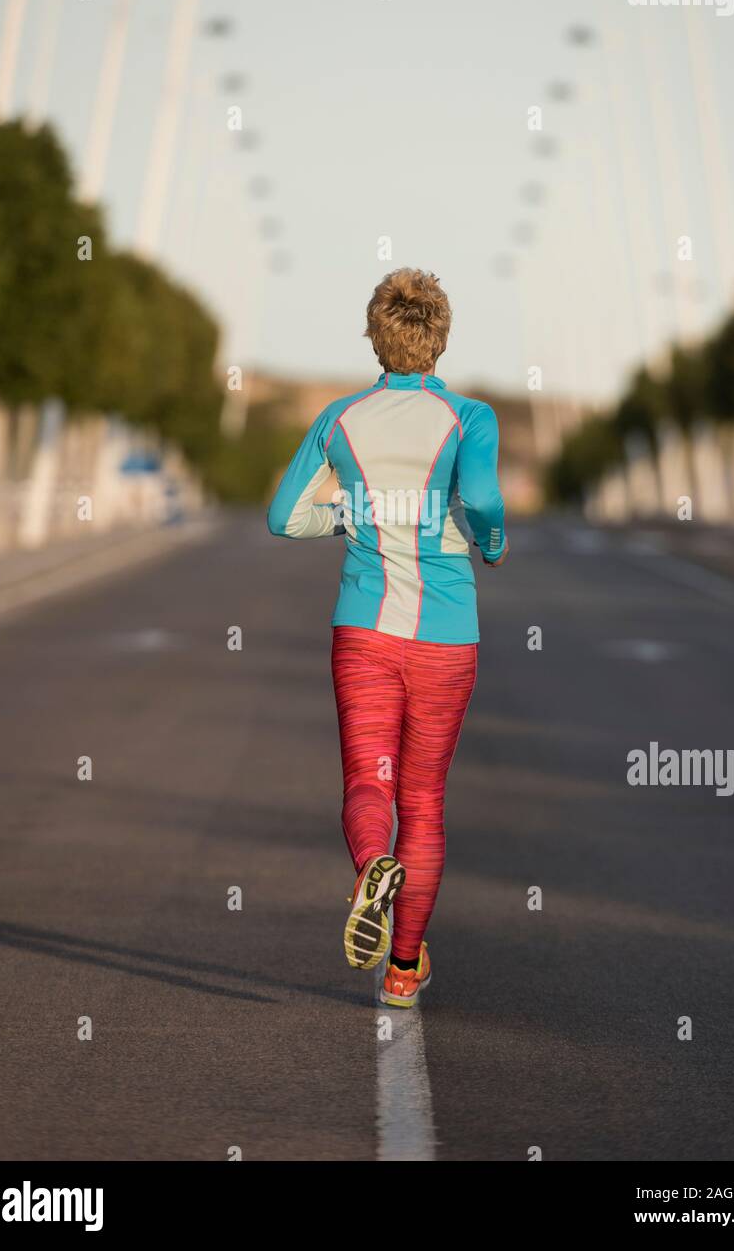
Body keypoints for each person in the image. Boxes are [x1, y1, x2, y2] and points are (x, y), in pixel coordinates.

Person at [267, 268, 508, 1007]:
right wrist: (489, 543)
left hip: (364, 631)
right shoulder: (470, 416)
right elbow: (485, 502)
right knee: (425, 800)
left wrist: (351, 517)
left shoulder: (339, 418)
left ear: (375, 334)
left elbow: (283, 516)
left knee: (367, 782)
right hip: (444, 635)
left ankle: (373, 862)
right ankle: (404, 967)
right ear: (440, 337)